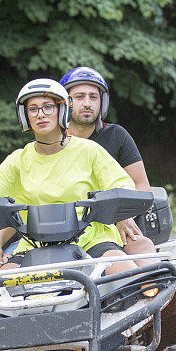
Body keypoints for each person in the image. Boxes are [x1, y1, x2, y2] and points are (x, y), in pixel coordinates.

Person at [0, 78, 156, 275]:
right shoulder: (16, 161)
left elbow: (123, 184)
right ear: (25, 116)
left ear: (63, 111)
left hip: (91, 241)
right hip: (34, 245)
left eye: (48, 107)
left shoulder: (89, 150)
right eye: (33, 109)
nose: (40, 114)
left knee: (128, 279)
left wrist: (122, 213)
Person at [59, 66, 152, 249]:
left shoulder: (117, 135)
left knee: (143, 248)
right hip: (63, 229)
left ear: (103, 102)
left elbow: (141, 186)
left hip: (115, 225)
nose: (87, 103)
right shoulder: (51, 142)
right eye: (79, 97)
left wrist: (122, 216)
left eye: (93, 97)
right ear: (64, 102)